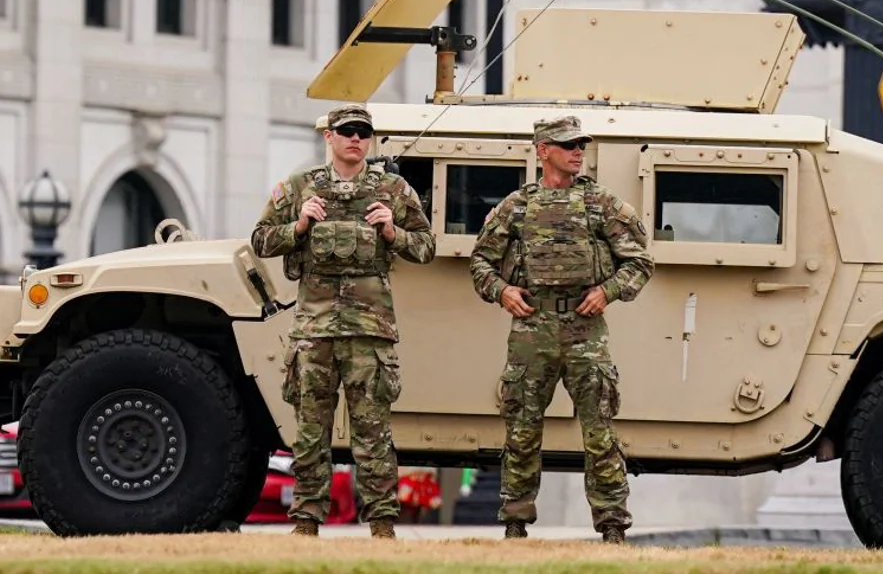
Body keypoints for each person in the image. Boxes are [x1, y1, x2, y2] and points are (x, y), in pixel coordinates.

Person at [251, 103, 436, 539]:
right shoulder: (299, 187)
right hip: (314, 332)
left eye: (363, 133)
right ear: (329, 137)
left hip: (370, 334)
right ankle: (306, 521)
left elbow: (426, 247)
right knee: (310, 432)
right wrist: (298, 226)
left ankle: (382, 525)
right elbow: (260, 240)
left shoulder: (392, 189)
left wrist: (392, 231)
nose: (356, 139)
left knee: (373, 433)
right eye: (347, 131)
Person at [469, 114, 655, 544]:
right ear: (543, 150)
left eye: (580, 145)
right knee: (521, 428)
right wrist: (502, 291)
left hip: (584, 330)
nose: (577, 152)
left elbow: (640, 261)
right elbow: (480, 261)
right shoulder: (516, 206)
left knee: (599, 429)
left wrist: (608, 291)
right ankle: (515, 523)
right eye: (568, 144)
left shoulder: (600, 203)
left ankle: (613, 525)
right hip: (532, 328)